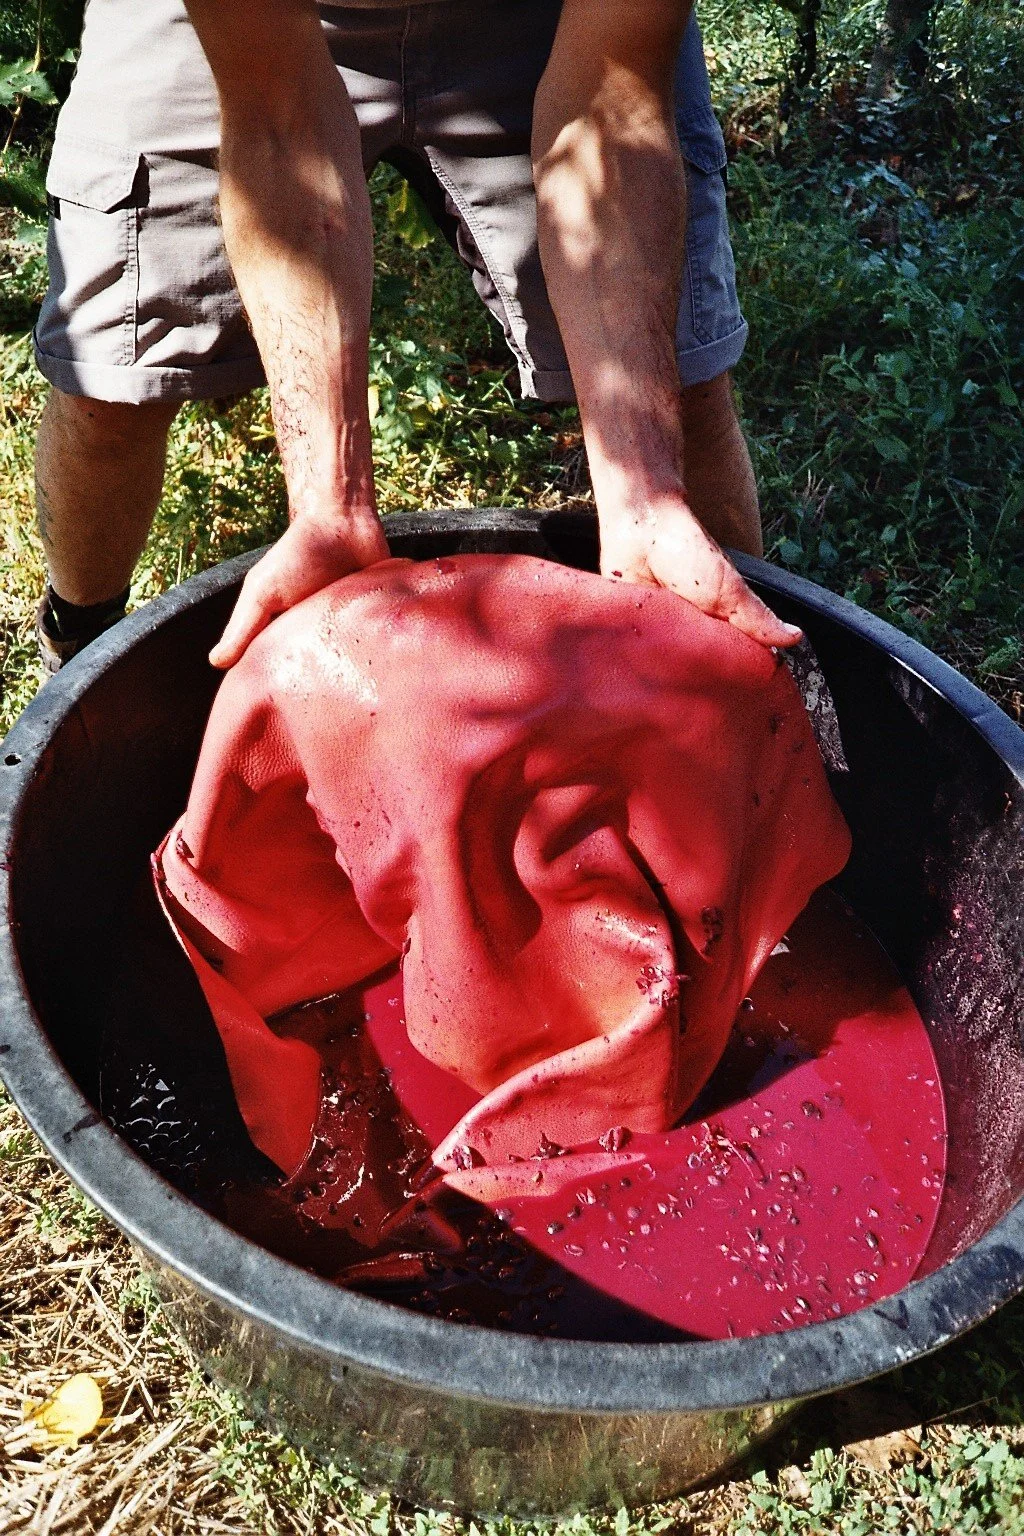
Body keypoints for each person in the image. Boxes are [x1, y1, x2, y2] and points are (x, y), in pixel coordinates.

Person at [32, 0, 801, 673]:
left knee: (685, 390)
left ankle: (750, 693)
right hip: (237, 28)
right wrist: (329, 505)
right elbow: (277, 112)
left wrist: (643, 491)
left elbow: (609, 101)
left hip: (544, 17)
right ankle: (81, 640)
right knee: (112, 384)